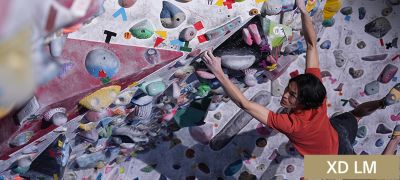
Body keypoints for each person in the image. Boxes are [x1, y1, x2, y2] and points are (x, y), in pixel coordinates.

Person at [201, 0, 400, 155]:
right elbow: (245, 104)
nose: (285, 95)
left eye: (292, 96)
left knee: (356, 115)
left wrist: (304, 10)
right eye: (289, 89)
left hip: (334, 132)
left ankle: (383, 104)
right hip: (336, 145)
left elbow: (311, 45)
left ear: (305, 101)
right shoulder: (306, 101)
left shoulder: (317, 98)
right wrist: (303, 10)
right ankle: (391, 125)